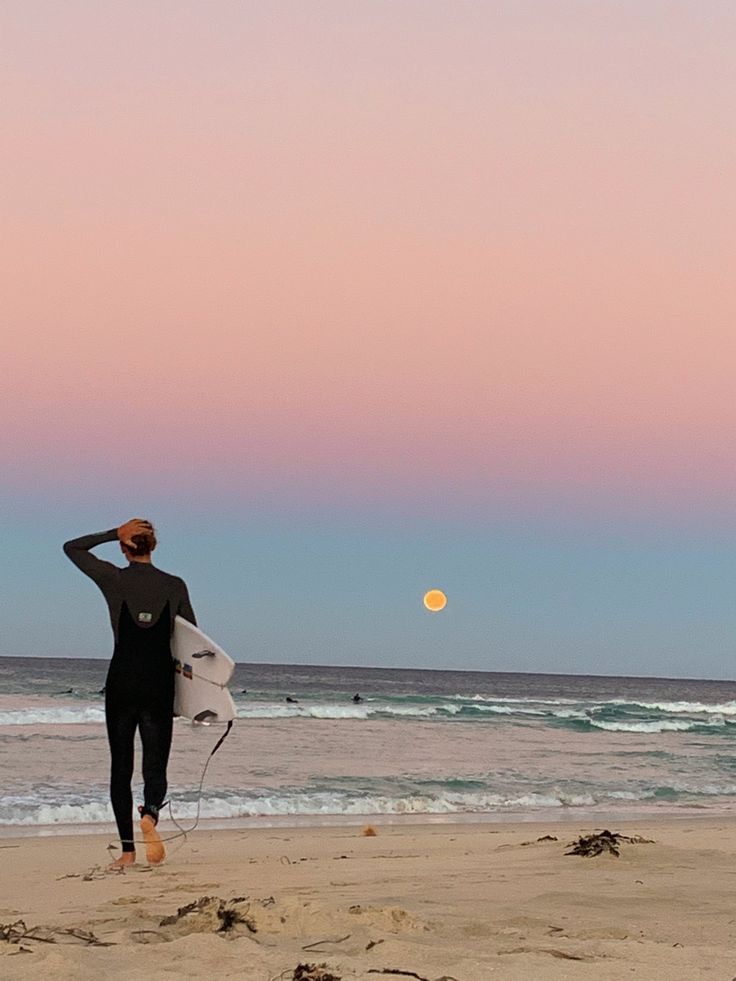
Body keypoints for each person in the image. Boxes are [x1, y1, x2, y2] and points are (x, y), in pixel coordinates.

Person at [63, 518, 196, 868]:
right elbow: (191, 641)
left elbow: (71, 548)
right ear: (153, 547)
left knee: (120, 768)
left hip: (121, 683)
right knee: (156, 763)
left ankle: (126, 852)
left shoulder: (113, 579)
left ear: (125, 547)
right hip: (157, 685)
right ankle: (150, 813)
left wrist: (110, 533)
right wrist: (192, 698)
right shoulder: (174, 585)